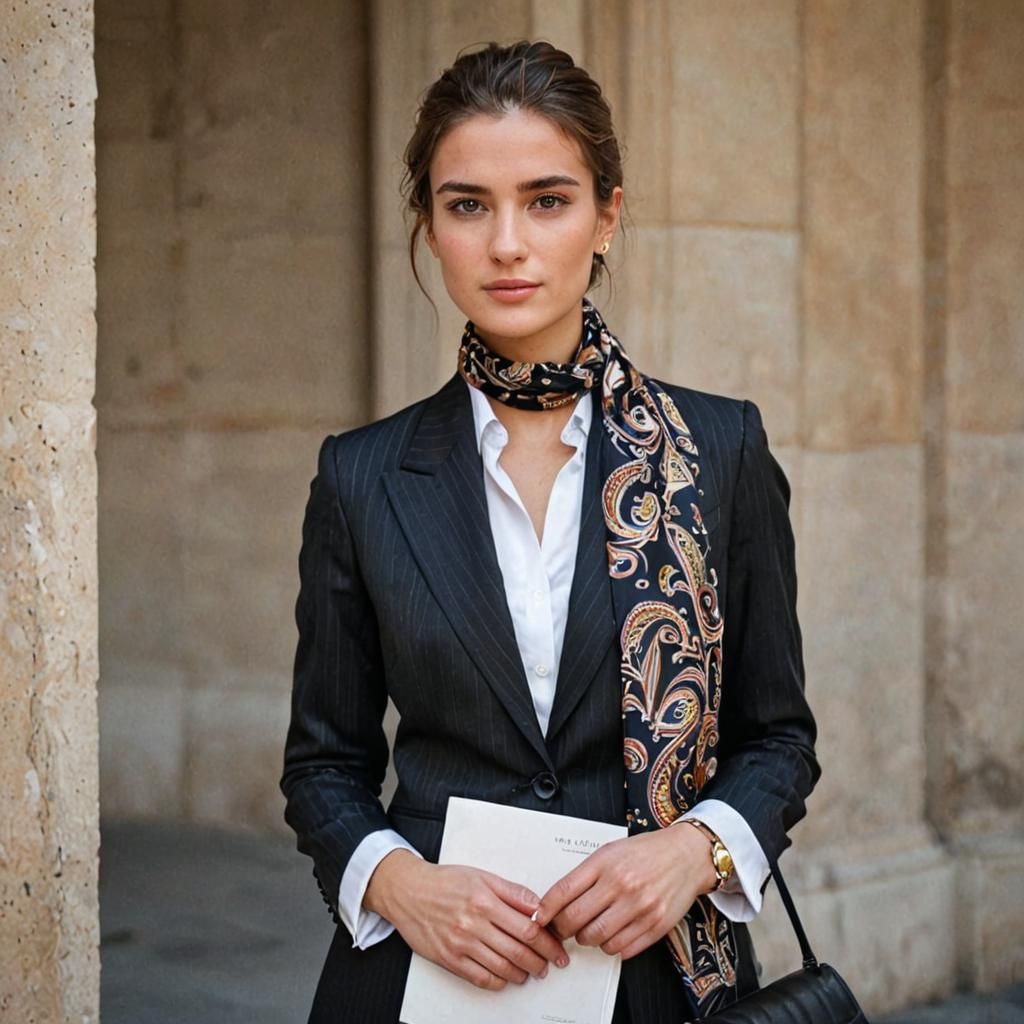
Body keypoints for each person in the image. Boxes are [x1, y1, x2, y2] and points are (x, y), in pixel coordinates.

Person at [280, 39, 819, 1024]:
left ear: (607, 212)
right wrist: (401, 883)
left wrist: (691, 850)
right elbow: (324, 764)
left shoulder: (718, 449)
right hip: (423, 975)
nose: (507, 244)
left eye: (547, 198)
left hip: (654, 978)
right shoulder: (360, 475)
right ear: (429, 225)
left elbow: (775, 736)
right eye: (466, 204)